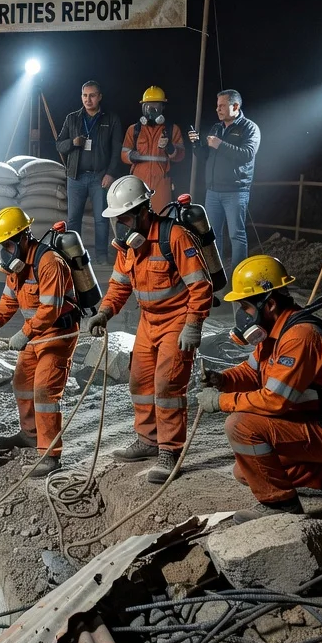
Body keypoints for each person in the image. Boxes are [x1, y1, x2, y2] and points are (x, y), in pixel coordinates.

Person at [192, 255, 322, 524]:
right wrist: (222, 380)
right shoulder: (275, 330)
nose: (243, 315)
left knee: (240, 426)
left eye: (246, 306)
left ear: (270, 304)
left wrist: (221, 401)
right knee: (246, 470)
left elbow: (274, 400)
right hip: (306, 422)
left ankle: (281, 504)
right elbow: (251, 371)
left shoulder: (300, 337)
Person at [88, 176, 213, 483]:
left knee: (167, 386)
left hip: (177, 321)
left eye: (125, 218)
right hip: (148, 321)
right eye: (118, 220)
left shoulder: (175, 236)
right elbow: (119, 285)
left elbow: (201, 286)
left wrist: (193, 325)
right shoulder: (127, 247)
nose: (121, 226)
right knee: (140, 381)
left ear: (144, 211)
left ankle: (169, 450)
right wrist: (104, 312)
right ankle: (148, 440)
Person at [0, 207, 81, 477]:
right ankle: (31, 434)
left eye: (9, 244)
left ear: (24, 237)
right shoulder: (16, 266)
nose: (6, 251)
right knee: (22, 383)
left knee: (44, 392)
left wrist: (24, 333)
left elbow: (50, 310)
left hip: (57, 335)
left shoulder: (49, 263)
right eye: (3, 246)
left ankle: (50, 455)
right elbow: (9, 300)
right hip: (35, 336)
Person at [190, 89, 259, 294]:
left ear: (235, 106)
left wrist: (221, 144)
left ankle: (238, 279)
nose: (217, 109)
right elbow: (205, 156)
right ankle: (217, 278)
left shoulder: (249, 128)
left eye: (221, 105)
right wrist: (196, 144)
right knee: (213, 236)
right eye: (217, 105)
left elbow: (247, 154)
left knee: (236, 235)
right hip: (213, 191)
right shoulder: (216, 128)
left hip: (236, 191)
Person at [55, 80, 125, 263]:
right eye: (85, 95)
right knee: (73, 220)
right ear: (81, 97)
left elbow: (117, 149)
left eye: (92, 95)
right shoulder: (72, 118)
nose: (88, 99)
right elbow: (59, 145)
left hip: (99, 177)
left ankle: (101, 256)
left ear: (99, 97)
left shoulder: (111, 119)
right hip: (76, 177)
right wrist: (73, 143)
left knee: (101, 219)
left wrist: (110, 173)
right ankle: (74, 255)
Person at [121, 86, 187, 213]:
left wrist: (170, 148)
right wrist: (131, 156)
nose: (151, 110)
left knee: (162, 216)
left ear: (163, 107)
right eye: (147, 106)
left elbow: (181, 156)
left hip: (161, 183)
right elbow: (123, 153)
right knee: (139, 217)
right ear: (142, 107)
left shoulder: (172, 129)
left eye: (155, 106)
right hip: (138, 184)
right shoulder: (134, 130)